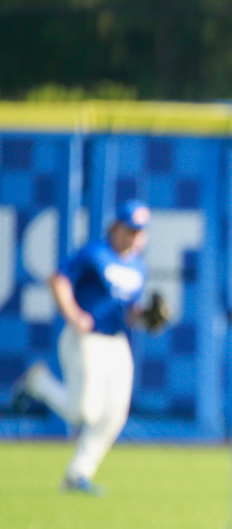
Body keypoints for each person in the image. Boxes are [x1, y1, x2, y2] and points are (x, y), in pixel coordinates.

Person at [12, 199, 156, 495]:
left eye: (139, 232)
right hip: (86, 339)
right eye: (129, 230)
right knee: (83, 413)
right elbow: (58, 279)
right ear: (115, 227)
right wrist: (73, 314)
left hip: (116, 342)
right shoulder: (96, 254)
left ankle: (78, 474)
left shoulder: (138, 266)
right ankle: (37, 382)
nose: (134, 237)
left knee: (115, 413)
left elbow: (130, 311)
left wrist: (146, 318)